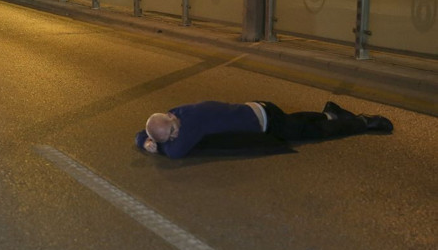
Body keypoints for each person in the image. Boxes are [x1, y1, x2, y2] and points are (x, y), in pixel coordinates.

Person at [136, 101, 393, 159]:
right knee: (299, 122)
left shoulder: (193, 122)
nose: (175, 136)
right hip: (259, 109)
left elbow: (176, 153)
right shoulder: (177, 114)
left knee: (314, 133)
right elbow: (146, 131)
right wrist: (144, 140)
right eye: (169, 136)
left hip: (267, 122)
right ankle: (330, 112)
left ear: (171, 118)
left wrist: (154, 145)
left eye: (172, 131)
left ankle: (363, 122)